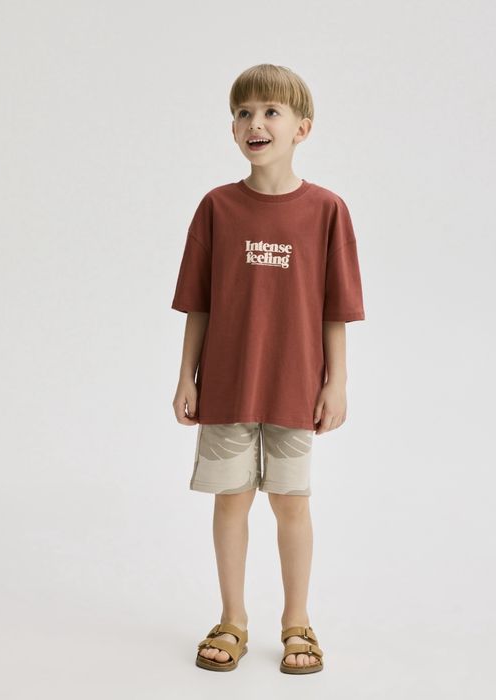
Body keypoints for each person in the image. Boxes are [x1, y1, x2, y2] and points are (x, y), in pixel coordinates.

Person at [170, 63, 365, 674]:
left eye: (271, 112)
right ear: (233, 127)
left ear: (302, 128)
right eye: (244, 112)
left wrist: (336, 381)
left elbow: (335, 308)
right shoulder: (217, 207)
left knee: (291, 503)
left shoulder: (327, 210)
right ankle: (232, 619)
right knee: (230, 501)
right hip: (228, 385)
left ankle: (296, 621)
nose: (256, 123)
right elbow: (198, 303)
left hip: (294, 386)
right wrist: (186, 376)